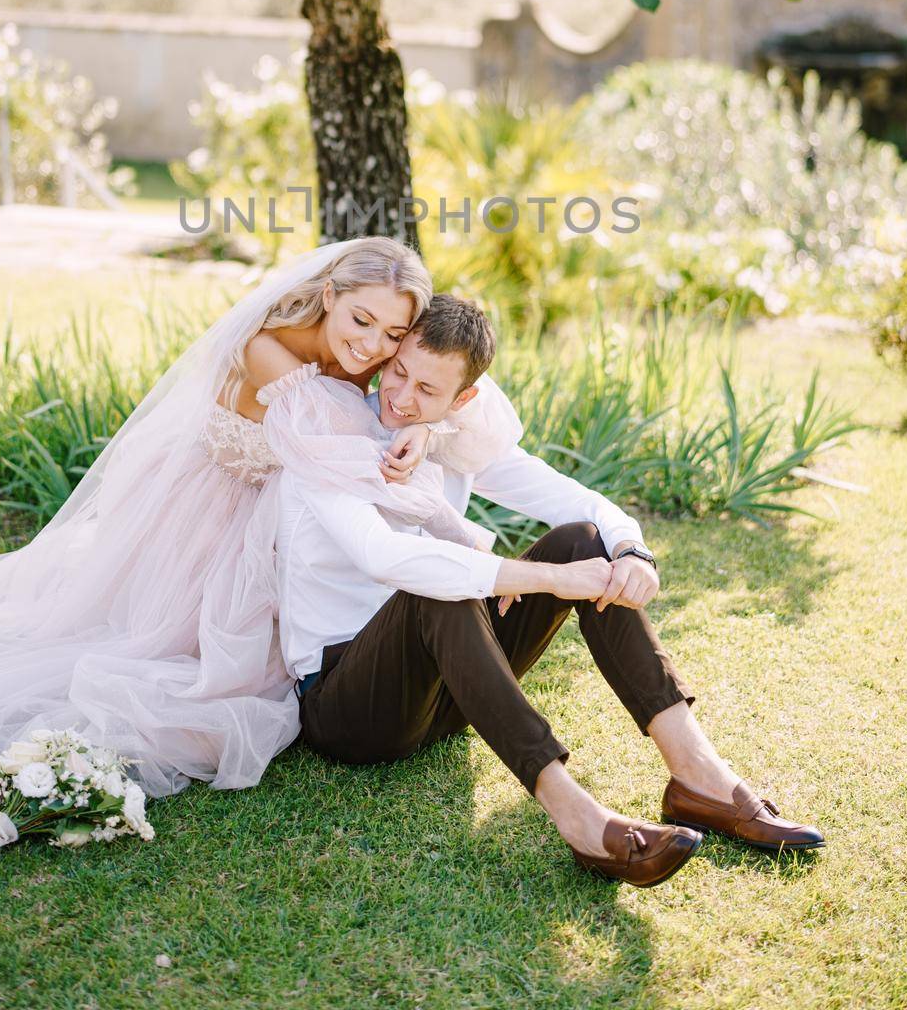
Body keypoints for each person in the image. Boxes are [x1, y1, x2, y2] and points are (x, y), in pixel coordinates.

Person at [260, 293, 826, 889]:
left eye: (429, 390)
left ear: (463, 401)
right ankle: (576, 814)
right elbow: (385, 556)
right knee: (436, 584)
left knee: (585, 540)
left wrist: (632, 549)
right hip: (349, 703)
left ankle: (698, 776)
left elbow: (575, 502)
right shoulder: (322, 437)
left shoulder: (450, 441)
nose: (403, 398)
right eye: (398, 372)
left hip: (449, 692)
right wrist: (544, 578)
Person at [0, 237, 443, 814]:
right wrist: (415, 432)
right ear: (329, 295)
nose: (373, 346)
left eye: (394, 335)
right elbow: (343, 443)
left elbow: (433, 388)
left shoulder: (362, 361)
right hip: (206, 509)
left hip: (272, 518)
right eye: (361, 320)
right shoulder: (267, 347)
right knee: (174, 661)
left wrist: (425, 427)